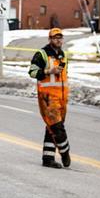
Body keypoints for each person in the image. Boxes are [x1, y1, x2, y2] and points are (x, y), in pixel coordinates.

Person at [28, 27, 71, 168]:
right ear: (50, 39)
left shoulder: (63, 55)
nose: (58, 40)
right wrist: (48, 71)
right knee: (56, 127)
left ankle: (48, 158)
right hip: (48, 97)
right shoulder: (42, 54)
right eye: (55, 37)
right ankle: (65, 152)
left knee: (51, 128)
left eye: (60, 37)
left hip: (62, 97)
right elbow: (32, 72)